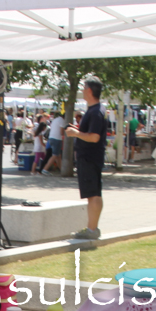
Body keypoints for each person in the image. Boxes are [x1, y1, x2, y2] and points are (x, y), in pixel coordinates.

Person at [65, 78, 107, 240]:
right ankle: (92, 228)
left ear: (89, 91)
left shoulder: (95, 112)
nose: (82, 91)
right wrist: (78, 130)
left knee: (93, 194)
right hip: (91, 157)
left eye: (84, 88)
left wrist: (76, 133)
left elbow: (94, 137)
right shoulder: (96, 110)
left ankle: (92, 229)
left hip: (89, 157)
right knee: (94, 193)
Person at [41, 110, 65, 175]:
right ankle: (45, 169)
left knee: (58, 155)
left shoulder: (55, 120)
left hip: (51, 138)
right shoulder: (62, 121)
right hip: (57, 139)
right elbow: (61, 132)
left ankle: (62, 169)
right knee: (55, 155)